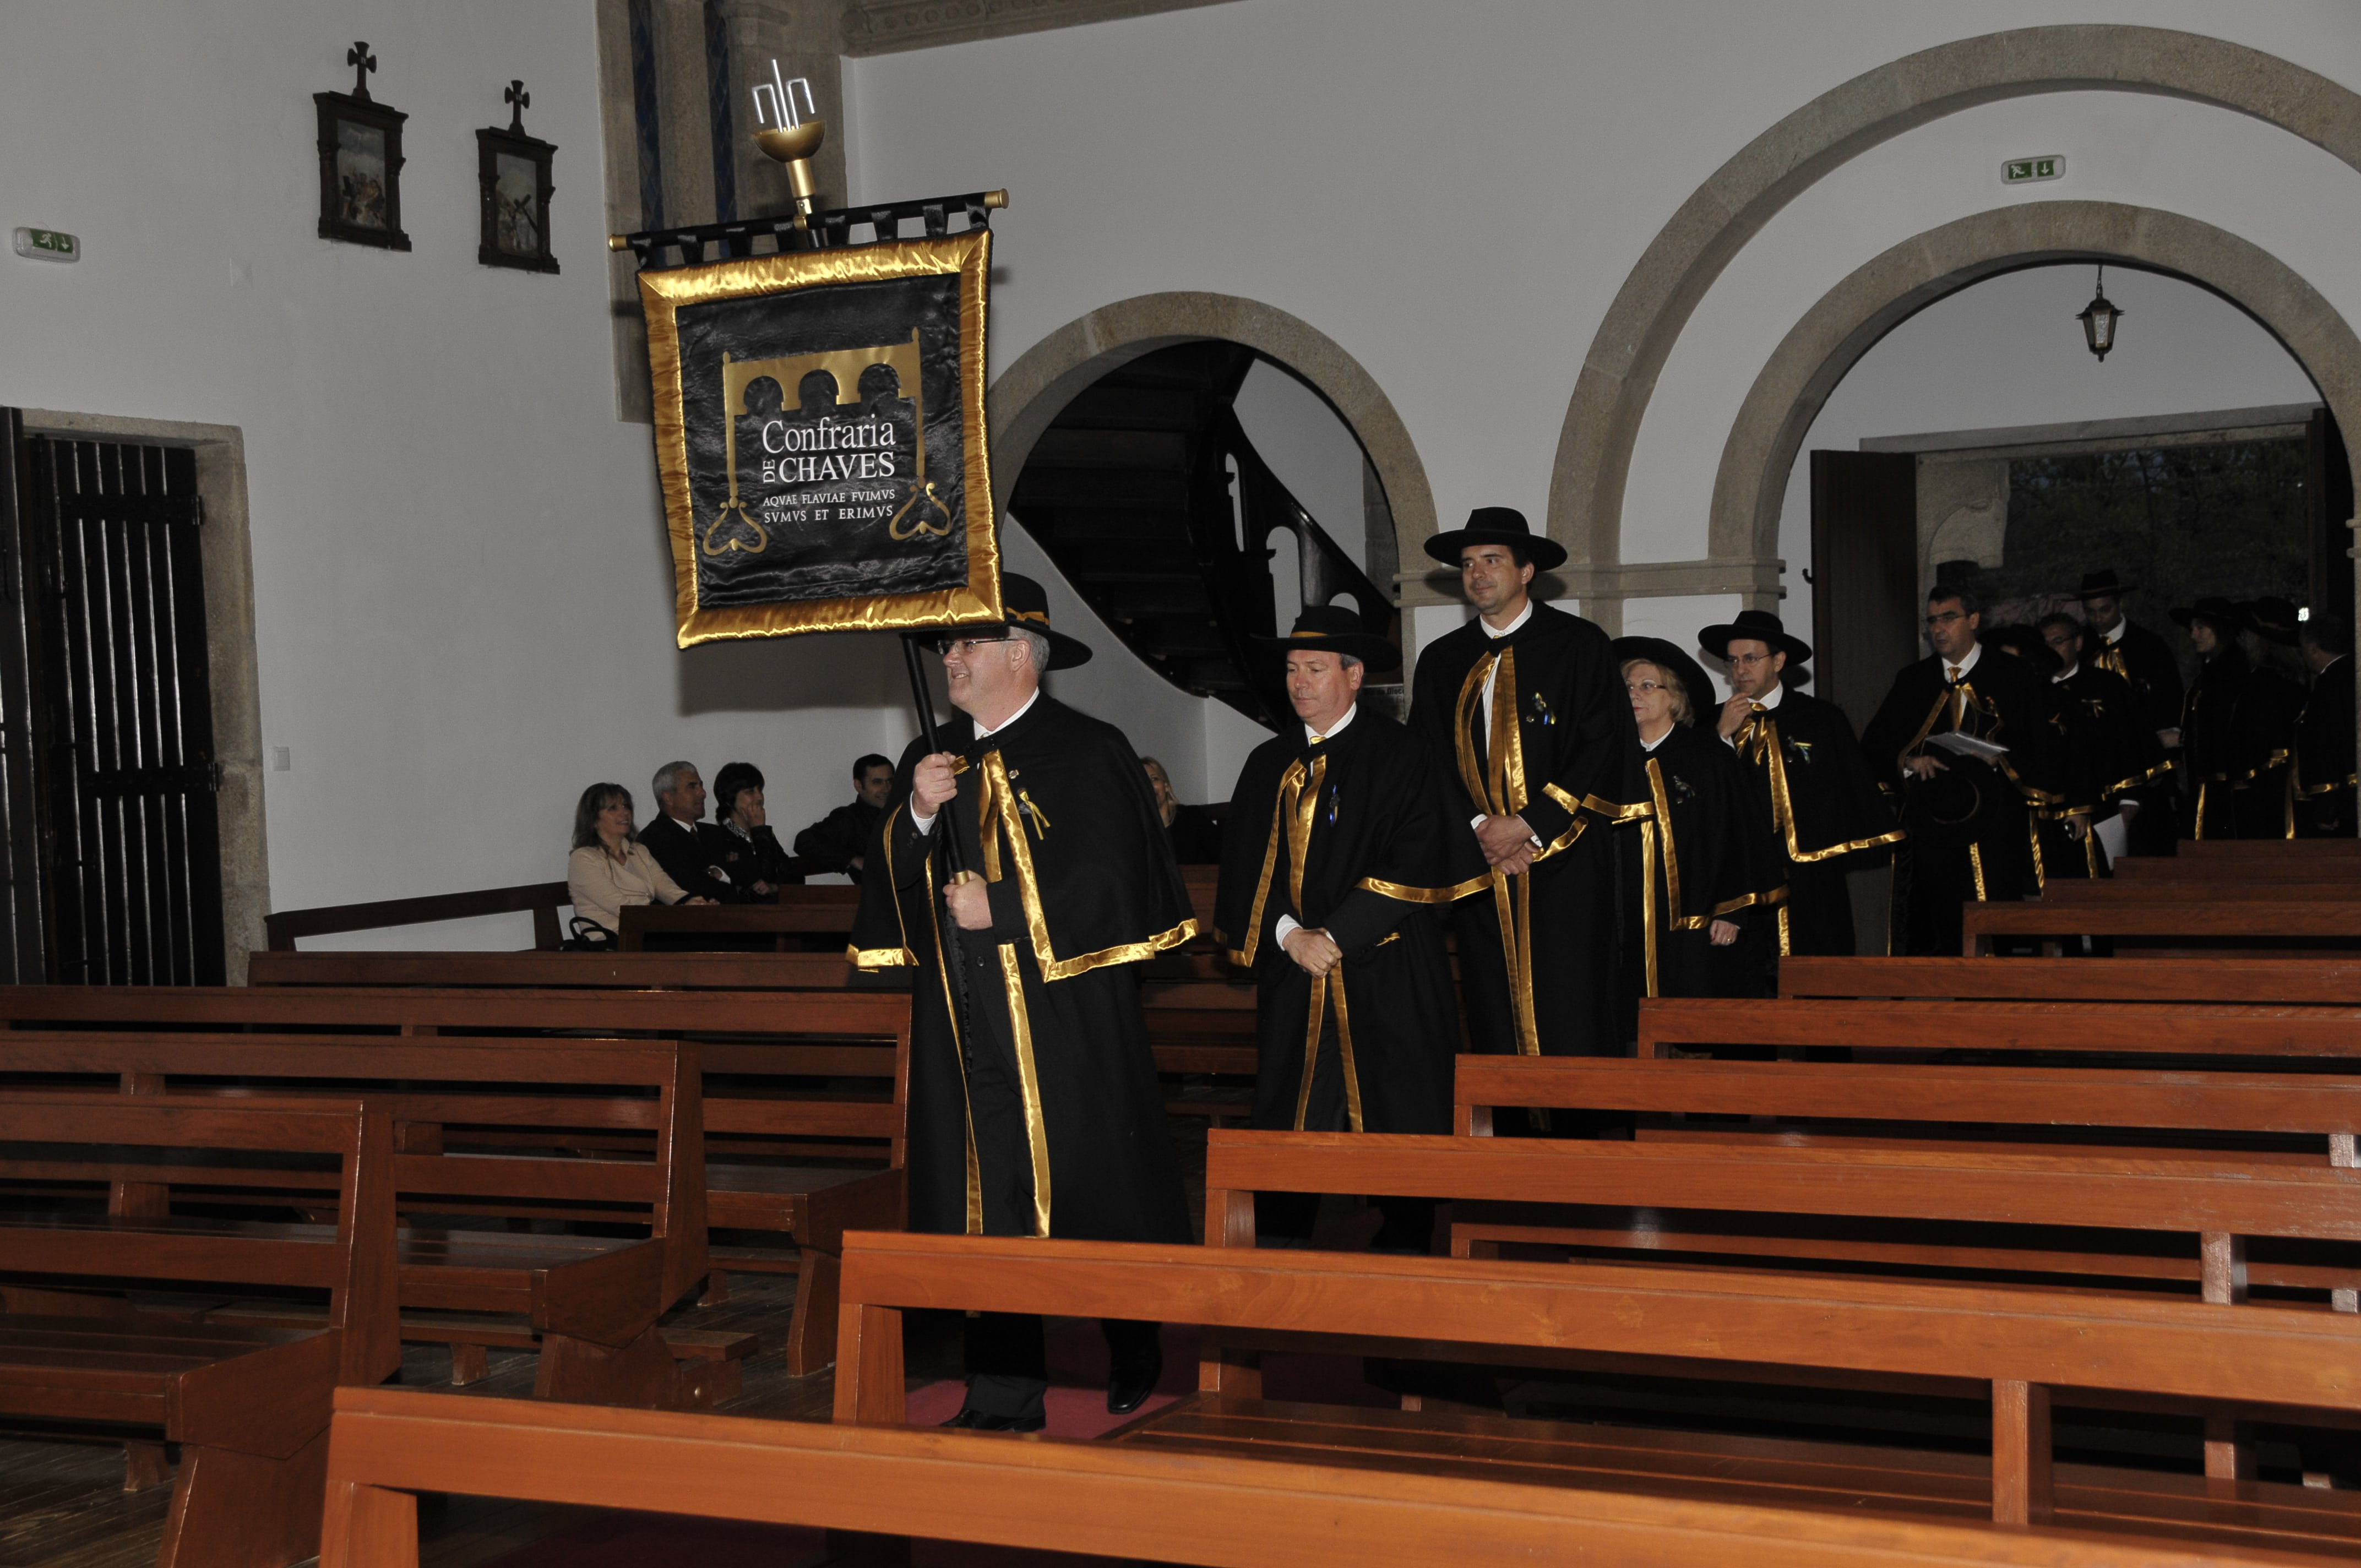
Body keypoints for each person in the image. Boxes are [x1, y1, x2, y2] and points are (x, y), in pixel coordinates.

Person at [845, 575, 1194, 1432]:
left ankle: (1132, 1339)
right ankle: (1003, 1388)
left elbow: (1113, 878)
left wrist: (1001, 907)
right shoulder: (935, 758)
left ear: (1020, 654)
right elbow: (890, 880)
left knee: (1090, 1184)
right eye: (947, 644)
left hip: (1066, 1020)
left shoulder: (1089, 749)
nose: (951, 657)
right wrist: (917, 812)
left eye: (968, 643)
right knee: (990, 1200)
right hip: (966, 1022)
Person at [1216, 607, 1481, 1251]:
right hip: (1294, 971)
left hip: (1387, 965)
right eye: (1291, 669)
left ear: (1354, 675)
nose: (1299, 682)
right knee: (1290, 1107)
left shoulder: (1402, 753)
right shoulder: (1267, 762)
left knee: (1398, 1105)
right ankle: (1280, 1240)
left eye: (1314, 668)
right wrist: (1289, 935)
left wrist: (1334, 935)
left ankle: (1406, 1243)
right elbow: (1246, 869)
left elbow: (1418, 854)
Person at [1408, 507, 1635, 1059]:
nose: (1477, 573)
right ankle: (1507, 1116)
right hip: (1481, 861)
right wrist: (1481, 829)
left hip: (1565, 857)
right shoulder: (1442, 660)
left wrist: (1530, 825)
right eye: (1468, 564)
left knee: (1572, 1003)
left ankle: (1582, 1117)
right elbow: (1426, 758)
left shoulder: (1580, 645)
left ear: (1527, 570)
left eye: (1492, 560)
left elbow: (1601, 744)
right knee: (1491, 1002)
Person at [1861, 586, 2061, 957]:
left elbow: (2038, 743)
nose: (1939, 628)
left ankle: (1994, 985)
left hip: (1994, 820)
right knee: (1937, 916)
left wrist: (1999, 759)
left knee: (1994, 911)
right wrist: (1910, 762)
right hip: (1932, 820)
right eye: (1932, 621)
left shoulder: (2012, 673)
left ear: (1973, 620)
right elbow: (1876, 744)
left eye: (1949, 618)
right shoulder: (1914, 680)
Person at [1699, 608, 1898, 959]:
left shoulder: (1820, 719)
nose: (1740, 670)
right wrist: (1721, 736)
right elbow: (1700, 795)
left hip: (1811, 877)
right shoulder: (1711, 722)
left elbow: (1851, 791)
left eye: (1751, 659)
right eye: (1733, 660)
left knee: (1818, 967)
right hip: (1744, 879)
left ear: (1778, 661)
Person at [1613, 636, 1783, 1015]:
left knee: (1692, 1015)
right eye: (1628, 686)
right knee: (1629, 1018)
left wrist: (1731, 911)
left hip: (1693, 919)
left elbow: (1738, 836)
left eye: (1647, 686)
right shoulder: (1612, 762)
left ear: (1674, 698)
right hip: (1626, 919)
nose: (1634, 694)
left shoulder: (1707, 758)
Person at [2037, 613, 2166, 880]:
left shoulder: (2107, 685)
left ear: (2078, 642)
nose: (2051, 650)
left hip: (2106, 803)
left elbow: (2132, 742)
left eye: (2058, 641)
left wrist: (2130, 798)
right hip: (2053, 808)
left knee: (2105, 878)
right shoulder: (2035, 691)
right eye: (2045, 644)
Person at [2073, 569, 2183, 855]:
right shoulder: (2080, 649)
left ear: (2120, 604)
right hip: (2097, 773)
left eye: (2105, 610)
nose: (2098, 619)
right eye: (2091, 612)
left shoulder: (2150, 647)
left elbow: (2170, 705)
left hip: (2146, 770)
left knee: (2147, 850)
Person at [565, 783, 712, 937]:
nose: (624, 813)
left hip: (646, 932)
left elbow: (665, 887)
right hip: (614, 940)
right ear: (594, 820)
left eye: (626, 806)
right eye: (613, 808)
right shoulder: (584, 859)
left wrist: (693, 904)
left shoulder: (638, 851)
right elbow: (623, 909)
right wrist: (677, 918)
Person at [2172, 597, 2249, 840]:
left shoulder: (2232, 672)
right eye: (2192, 629)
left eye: (2201, 628)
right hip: (2205, 780)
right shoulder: (2210, 671)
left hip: (2223, 783)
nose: (2194, 635)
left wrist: (2181, 739)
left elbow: (2224, 727)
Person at [2232, 597, 2308, 840]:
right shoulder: (2293, 682)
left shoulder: (2262, 686)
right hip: (2284, 793)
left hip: (2267, 797)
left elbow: (2262, 748)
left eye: (2249, 632)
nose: (2244, 638)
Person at [638, 762, 743, 903]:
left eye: (701, 786)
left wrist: (715, 874)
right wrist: (728, 877)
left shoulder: (715, 833)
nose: (703, 793)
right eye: (692, 787)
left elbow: (747, 871)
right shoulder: (653, 838)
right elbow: (689, 886)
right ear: (668, 798)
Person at [2296, 613, 2356, 837]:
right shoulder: (2353, 674)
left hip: (2344, 796)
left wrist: (2326, 801)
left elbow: (2326, 746)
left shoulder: (2328, 686)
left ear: (2313, 649)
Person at [793, 755, 895, 883]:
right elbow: (804, 840)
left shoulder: (904, 812)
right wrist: (852, 859)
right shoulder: (850, 819)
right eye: (877, 782)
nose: (886, 789)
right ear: (859, 785)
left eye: (890, 781)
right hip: (881, 893)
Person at [710, 761, 797, 897]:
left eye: (760, 790)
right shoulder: (720, 838)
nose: (760, 797)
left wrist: (775, 887)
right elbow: (759, 880)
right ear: (730, 798)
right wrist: (759, 831)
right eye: (750, 792)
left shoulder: (765, 835)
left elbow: (796, 878)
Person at [1140, 756, 1225, 864]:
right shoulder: (1137, 831)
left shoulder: (1192, 818)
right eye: (1143, 781)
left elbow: (1225, 854)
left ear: (1166, 786)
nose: (1149, 786)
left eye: (1154, 779)